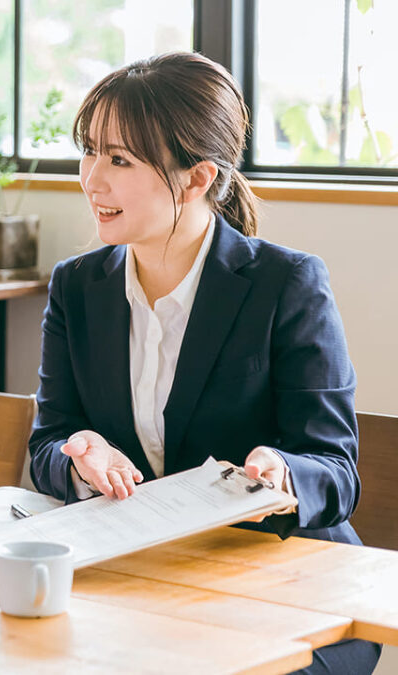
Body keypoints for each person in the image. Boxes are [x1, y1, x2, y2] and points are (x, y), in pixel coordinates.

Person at [28, 52, 379, 673]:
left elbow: (336, 470)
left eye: (119, 159)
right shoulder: (76, 286)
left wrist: (282, 473)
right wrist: (80, 456)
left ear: (195, 179)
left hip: (287, 586)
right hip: (145, 582)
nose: (90, 179)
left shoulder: (286, 283)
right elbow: (48, 443)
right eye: (89, 151)